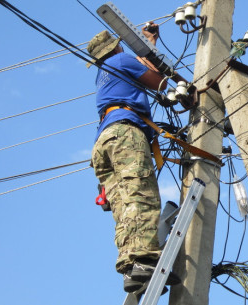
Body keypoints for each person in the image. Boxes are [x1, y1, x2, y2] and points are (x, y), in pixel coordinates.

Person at [88, 23, 179, 293]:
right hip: (125, 132)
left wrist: (149, 45)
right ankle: (143, 261)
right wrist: (150, 49)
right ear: (115, 46)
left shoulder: (103, 73)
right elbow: (159, 82)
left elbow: (142, 70)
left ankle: (131, 266)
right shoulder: (120, 59)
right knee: (140, 193)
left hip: (103, 141)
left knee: (123, 204)